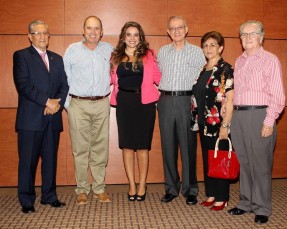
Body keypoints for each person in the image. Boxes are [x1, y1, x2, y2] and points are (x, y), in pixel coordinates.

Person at [227, 20, 285, 224]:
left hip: (260, 116)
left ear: (262, 37)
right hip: (239, 116)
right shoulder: (239, 61)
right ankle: (245, 203)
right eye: (243, 34)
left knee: (260, 164)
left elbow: (278, 95)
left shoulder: (270, 60)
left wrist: (269, 121)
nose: (248, 38)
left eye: (252, 34)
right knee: (244, 162)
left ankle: (262, 207)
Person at [13, 20, 69, 213]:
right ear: (30, 37)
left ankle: (49, 196)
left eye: (45, 33)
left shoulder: (57, 58)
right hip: (30, 120)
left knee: (50, 160)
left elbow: (64, 85)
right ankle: (27, 201)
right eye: (37, 33)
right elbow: (24, 86)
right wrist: (47, 102)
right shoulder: (21, 56)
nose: (42, 36)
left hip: (52, 118)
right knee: (28, 161)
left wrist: (56, 104)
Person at [64, 16, 113, 205]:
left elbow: (117, 73)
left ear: (102, 31)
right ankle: (82, 189)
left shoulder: (109, 50)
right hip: (78, 104)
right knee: (80, 149)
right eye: (89, 28)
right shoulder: (72, 50)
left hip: (101, 104)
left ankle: (99, 188)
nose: (93, 32)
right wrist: (69, 105)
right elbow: (65, 78)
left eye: (97, 28)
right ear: (83, 30)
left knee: (101, 148)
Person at [157, 16, 206, 205]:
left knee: (188, 146)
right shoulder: (162, 52)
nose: (176, 31)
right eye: (172, 28)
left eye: (180, 27)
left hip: (187, 100)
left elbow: (203, 77)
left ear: (187, 29)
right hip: (166, 101)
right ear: (168, 32)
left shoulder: (197, 52)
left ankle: (190, 189)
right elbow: (157, 75)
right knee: (167, 146)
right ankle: (171, 188)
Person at [110, 21, 161, 201]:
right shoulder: (116, 56)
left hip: (144, 104)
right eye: (129, 34)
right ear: (124, 37)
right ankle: (131, 184)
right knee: (127, 146)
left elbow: (159, 77)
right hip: (124, 103)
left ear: (141, 37)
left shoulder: (149, 55)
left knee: (142, 146)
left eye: (136, 34)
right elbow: (109, 79)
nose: (132, 38)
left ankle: (142, 184)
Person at [192, 31, 234, 211]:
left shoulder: (225, 69)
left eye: (213, 45)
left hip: (218, 123)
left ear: (221, 47)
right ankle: (211, 193)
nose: (208, 48)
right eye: (205, 45)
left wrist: (225, 125)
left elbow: (230, 100)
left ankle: (222, 196)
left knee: (220, 158)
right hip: (203, 122)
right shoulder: (204, 69)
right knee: (209, 159)